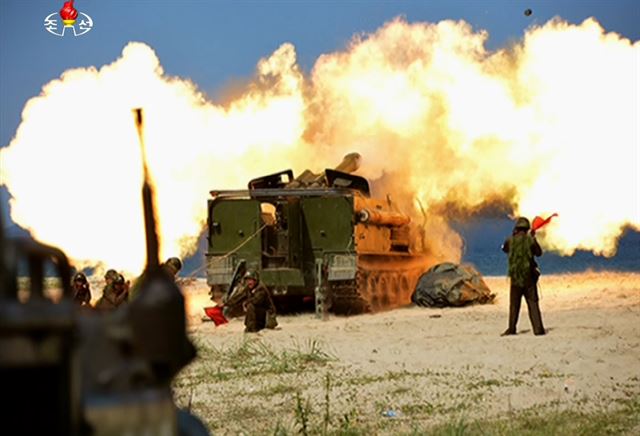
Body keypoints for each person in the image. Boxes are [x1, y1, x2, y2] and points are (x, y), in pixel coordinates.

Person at [501, 217, 546, 336]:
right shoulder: (530, 240)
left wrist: (513, 235)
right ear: (527, 229)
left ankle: (511, 329)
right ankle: (538, 330)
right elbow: (539, 253)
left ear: (516, 228)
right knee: (533, 303)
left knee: (514, 305)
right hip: (529, 278)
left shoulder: (510, 240)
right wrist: (533, 238)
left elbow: (504, 249)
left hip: (515, 278)